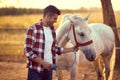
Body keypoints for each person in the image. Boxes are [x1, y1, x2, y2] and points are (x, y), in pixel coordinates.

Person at [24, 5, 76, 80]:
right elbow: (27, 51)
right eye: (55, 18)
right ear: (48, 16)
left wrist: (72, 49)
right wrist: (43, 63)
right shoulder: (33, 29)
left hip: (48, 71)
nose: (56, 21)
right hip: (35, 71)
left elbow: (54, 49)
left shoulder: (52, 30)